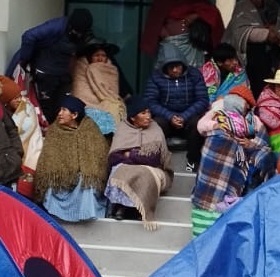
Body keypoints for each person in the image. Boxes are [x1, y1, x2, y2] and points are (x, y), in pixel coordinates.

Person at [191, 94, 275, 236]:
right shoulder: (216, 116)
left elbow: (265, 145)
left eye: (243, 100)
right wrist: (218, 128)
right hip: (219, 164)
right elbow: (202, 127)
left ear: (248, 105)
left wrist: (251, 144)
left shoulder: (255, 122)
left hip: (245, 164)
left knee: (262, 158)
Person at [31, 95, 110, 222]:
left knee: (86, 181)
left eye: (64, 110)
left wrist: (82, 171)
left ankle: (86, 215)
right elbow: (48, 159)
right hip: (61, 179)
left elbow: (98, 158)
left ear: (74, 115)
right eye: (60, 110)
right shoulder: (54, 131)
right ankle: (56, 215)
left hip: (82, 179)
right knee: (53, 181)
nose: (59, 114)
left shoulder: (90, 130)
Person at [6, 8, 94, 115]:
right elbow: (29, 36)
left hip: (61, 73)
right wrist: (25, 58)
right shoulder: (56, 26)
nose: (79, 35)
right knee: (45, 109)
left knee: (61, 107)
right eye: (76, 32)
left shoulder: (83, 35)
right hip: (45, 72)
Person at [141, 0, 223, 69]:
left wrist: (196, 15)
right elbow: (154, 21)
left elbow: (212, 12)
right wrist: (163, 33)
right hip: (169, 45)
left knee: (192, 74)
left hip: (191, 47)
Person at [105, 96, 171, 227]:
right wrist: (138, 157)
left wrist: (130, 154)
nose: (148, 116)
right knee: (118, 169)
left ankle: (133, 208)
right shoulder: (123, 129)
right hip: (131, 167)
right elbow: (113, 158)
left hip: (155, 170)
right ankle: (123, 207)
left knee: (142, 172)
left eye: (149, 112)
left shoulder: (155, 128)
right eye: (143, 113)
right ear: (133, 117)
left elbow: (154, 158)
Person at [142, 42, 210, 169]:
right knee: (155, 125)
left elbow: (202, 100)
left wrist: (184, 116)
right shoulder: (156, 77)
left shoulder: (194, 75)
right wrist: (170, 116)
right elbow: (150, 101)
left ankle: (192, 162)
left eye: (177, 66)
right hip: (165, 117)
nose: (174, 70)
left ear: (183, 64)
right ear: (164, 67)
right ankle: (157, 163)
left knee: (198, 124)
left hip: (188, 116)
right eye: (170, 67)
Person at [225, 0, 280, 95]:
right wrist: (266, 34)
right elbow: (240, 31)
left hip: (267, 59)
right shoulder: (242, 6)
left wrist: (279, 38)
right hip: (248, 58)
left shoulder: (273, 8)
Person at [69, 42, 128, 135]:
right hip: (88, 105)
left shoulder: (111, 69)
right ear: (89, 57)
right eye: (96, 55)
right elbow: (80, 91)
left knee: (115, 110)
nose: (100, 58)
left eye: (103, 55)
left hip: (108, 102)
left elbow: (112, 92)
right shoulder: (80, 68)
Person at [0, 74, 43, 189]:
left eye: (19, 96)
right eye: (15, 98)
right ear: (6, 101)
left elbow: (29, 129)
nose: (20, 100)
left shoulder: (27, 108)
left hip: (31, 152)